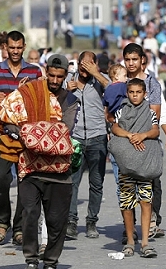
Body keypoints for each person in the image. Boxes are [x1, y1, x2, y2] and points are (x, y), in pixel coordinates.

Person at [0, 54, 79, 269]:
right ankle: (31, 259)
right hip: (30, 168)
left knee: (56, 221)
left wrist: (29, 130)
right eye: (51, 75)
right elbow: (9, 120)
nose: (54, 80)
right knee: (30, 216)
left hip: (60, 171)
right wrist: (25, 132)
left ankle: (51, 261)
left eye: (59, 77)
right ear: (46, 72)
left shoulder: (70, 101)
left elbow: (64, 131)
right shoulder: (28, 94)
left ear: (65, 76)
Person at [0, 30, 43, 245]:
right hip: (1, 133)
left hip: (27, 136)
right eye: (12, 48)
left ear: (24, 47)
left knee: (24, 182)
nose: (15, 51)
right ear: (5, 48)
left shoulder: (35, 72)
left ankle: (19, 228)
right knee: (0, 178)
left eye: (19, 48)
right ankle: (2, 221)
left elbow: (41, 101)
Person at [123, 43, 166, 237]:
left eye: (134, 59)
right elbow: (114, 112)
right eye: (127, 59)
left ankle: (152, 221)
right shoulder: (120, 82)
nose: (130, 63)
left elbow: (154, 113)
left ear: (142, 60)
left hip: (149, 140)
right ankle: (130, 228)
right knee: (126, 187)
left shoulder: (152, 84)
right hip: (124, 141)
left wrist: (142, 133)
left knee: (151, 183)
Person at [110, 78, 159, 258]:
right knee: (127, 203)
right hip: (126, 165)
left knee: (146, 201)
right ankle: (130, 240)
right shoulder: (122, 111)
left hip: (144, 164)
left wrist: (143, 135)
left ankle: (145, 242)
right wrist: (130, 135)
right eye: (131, 92)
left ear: (144, 94)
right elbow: (115, 128)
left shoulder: (149, 111)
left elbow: (156, 130)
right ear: (127, 93)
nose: (135, 95)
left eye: (138, 92)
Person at [66, 51, 109, 240]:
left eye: (90, 63)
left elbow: (116, 90)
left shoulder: (101, 81)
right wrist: (65, 91)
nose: (86, 67)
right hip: (74, 138)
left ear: (95, 64)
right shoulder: (68, 80)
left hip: (97, 138)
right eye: (83, 63)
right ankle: (71, 222)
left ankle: (92, 221)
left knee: (96, 183)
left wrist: (97, 73)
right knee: (72, 182)